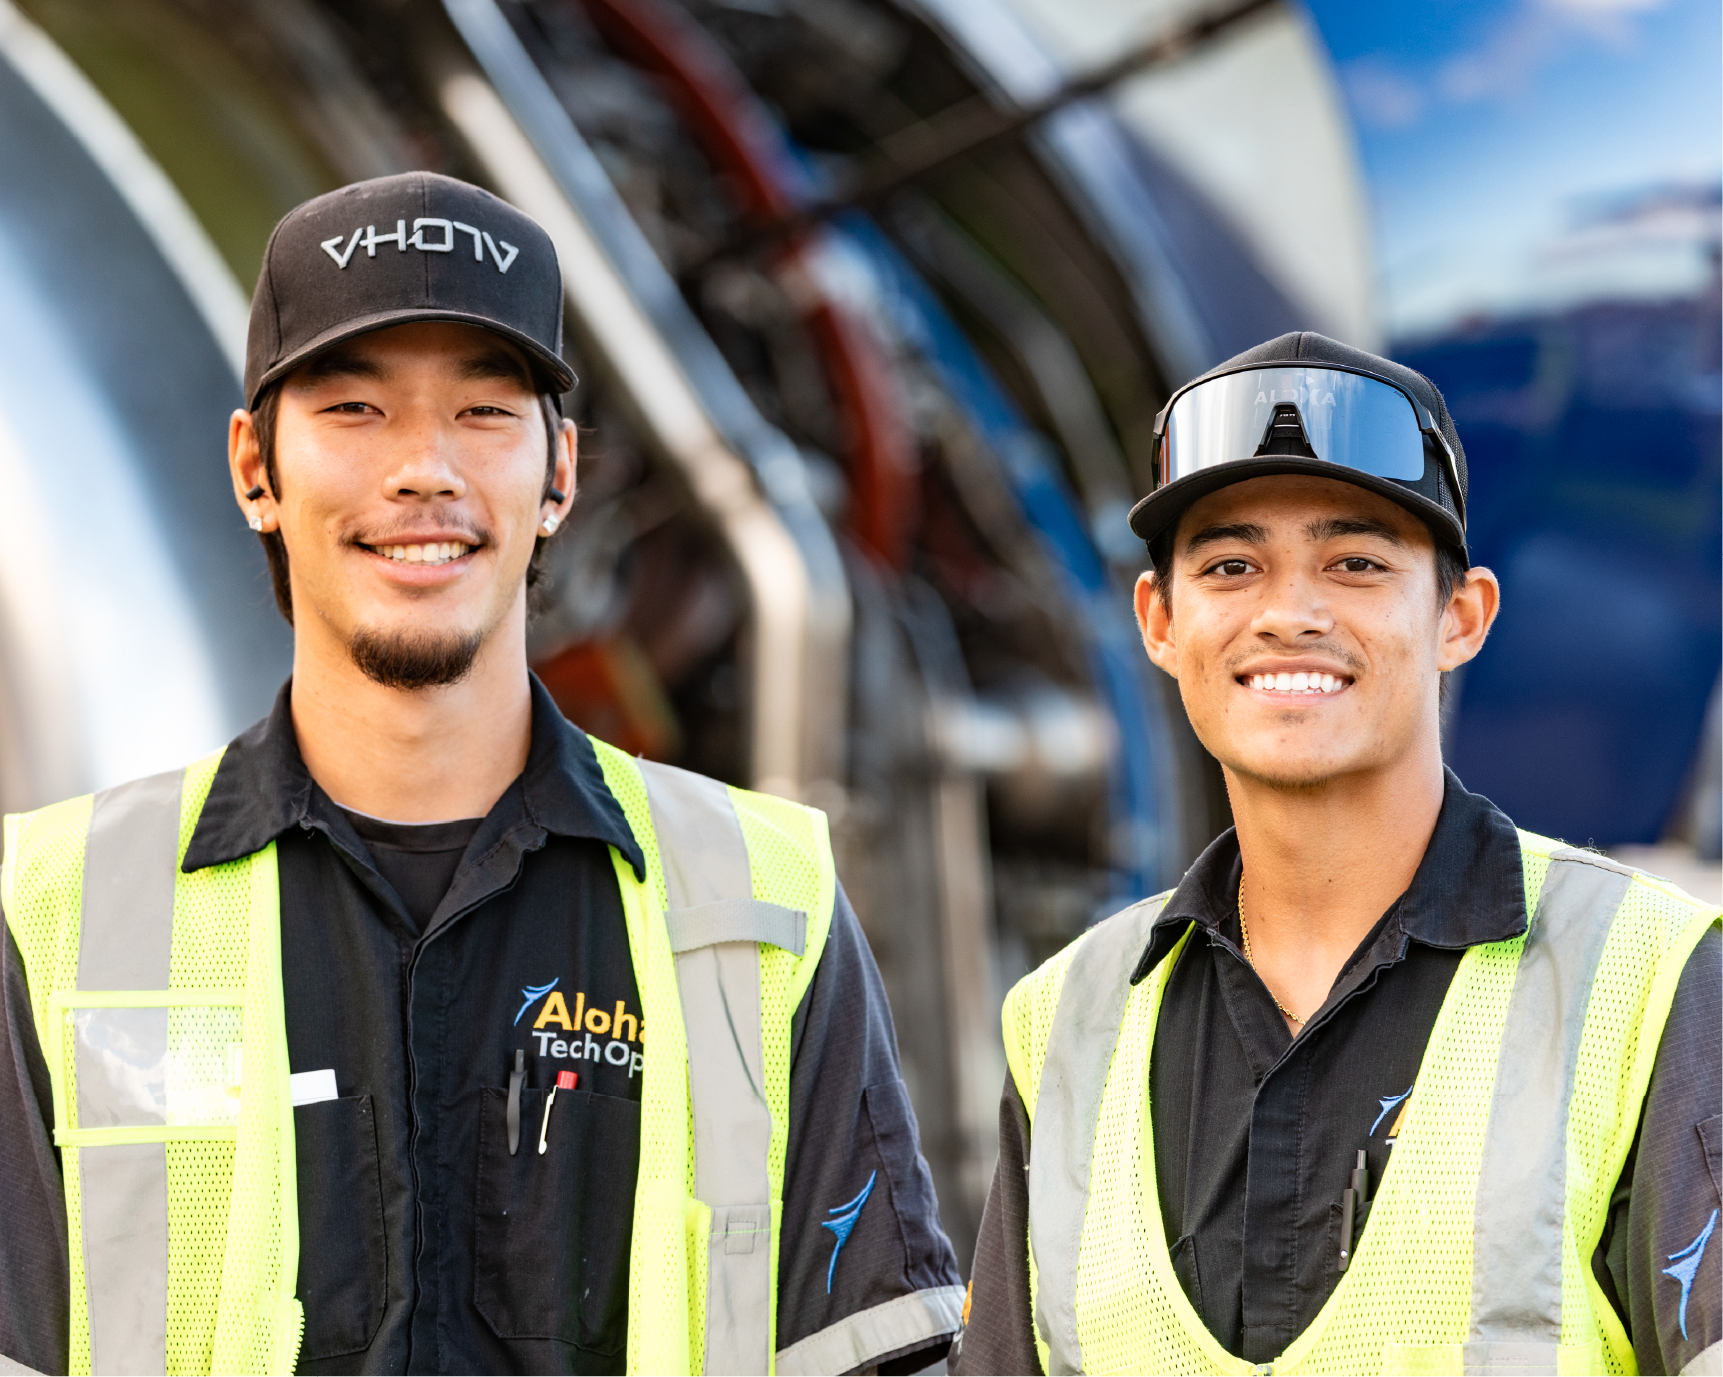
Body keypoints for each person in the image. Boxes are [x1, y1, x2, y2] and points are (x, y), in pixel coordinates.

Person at [0, 171, 962, 1377]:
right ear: (256, 468)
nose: (423, 470)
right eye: (355, 410)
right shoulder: (57, 912)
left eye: (483, 412)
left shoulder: (759, 907)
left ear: (560, 472)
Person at [954, 331, 1723, 1377]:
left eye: (1356, 563)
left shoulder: (1654, 983)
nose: (1289, 613)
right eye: (1231, 566)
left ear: (1461, 617)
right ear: (1159, 622)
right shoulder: (1064, 1021)